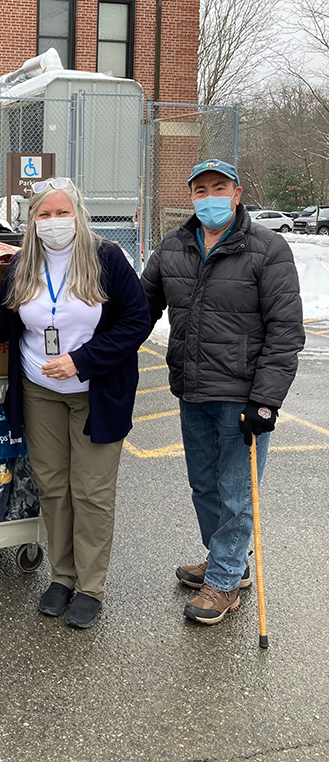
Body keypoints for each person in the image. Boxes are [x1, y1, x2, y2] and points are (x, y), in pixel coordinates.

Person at [0, 178, 150, 629]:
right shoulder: (26, 260)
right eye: (43, 214)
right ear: (32, 221)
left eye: (62, 212)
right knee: (53, 486)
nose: (53, 222)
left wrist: (82, 360)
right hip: (39, 392)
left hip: (96, 393)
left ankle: (90, 587)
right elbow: (9, 328)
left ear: (79, 214)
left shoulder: (106, 258)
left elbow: (136, 321)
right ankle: (62, 577)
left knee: (92, 492)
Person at [141, 159, 304, 625]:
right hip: (191, 391)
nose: (209, 196)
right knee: (204, 486)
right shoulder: (173, 246)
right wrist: (97, 355)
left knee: (235, 492)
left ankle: (225, 581)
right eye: (200, 189)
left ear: (235, 194)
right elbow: (139, 309)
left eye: (219, 187)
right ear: (191, 196)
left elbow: (285, 331)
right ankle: (227, 560)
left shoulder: (268, 249)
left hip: (243, 396)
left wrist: (267, 401)